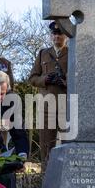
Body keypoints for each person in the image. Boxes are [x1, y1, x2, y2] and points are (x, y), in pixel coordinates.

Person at [29, 22, 68, 170]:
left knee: (68, 145)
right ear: (51, 35)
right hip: (46, 107)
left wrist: (64, 81)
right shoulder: (43, 53)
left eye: (60, 33)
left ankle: (67, 178)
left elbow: (79, 76)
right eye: (54, 34)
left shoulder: (72, 52)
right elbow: (32, 78)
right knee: (46, 147)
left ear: (65, 36)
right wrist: (45, 79)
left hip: (67, 106)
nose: (57, 36)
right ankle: (45, 179)